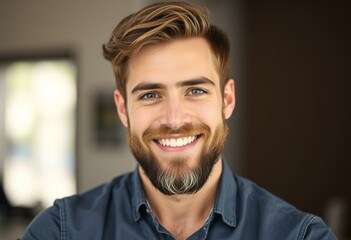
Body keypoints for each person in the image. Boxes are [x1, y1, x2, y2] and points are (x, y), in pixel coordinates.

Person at [22, 1, 336, 239]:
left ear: (227, 100)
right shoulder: (60, 231)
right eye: (149, 95)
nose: (174, 119)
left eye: (195, 90)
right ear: (122, 110)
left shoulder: (300, 235)